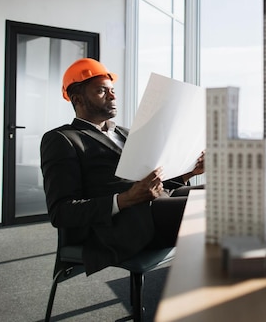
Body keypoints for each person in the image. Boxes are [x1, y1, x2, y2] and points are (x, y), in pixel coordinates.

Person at [40, 58, 204, 275]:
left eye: (112, 90)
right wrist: (126, 199)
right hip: (128, 223)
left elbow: (152, 181)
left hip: (161, 200)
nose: (112, 96)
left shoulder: (126, 133)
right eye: (101, 91)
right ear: (77, 99)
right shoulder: (62, 139)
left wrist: (189, 173)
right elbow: (61, 212)